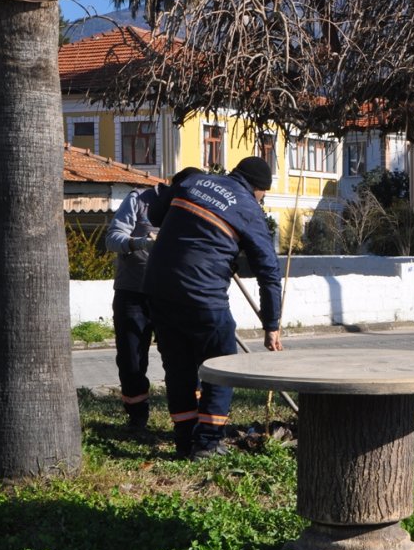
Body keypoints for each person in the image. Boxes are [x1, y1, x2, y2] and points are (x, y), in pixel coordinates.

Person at [144, 157, 283, 460]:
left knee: (178, 367)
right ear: (259, 189)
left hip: (157, 286)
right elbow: (269, 271)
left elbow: (155, 215)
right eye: (264, 195)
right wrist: (272, 324)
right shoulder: (249, 209)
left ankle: (184, 440)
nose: (262, 200)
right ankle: (206, 443)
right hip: (203, 293)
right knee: (221, 367)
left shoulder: (193, 181)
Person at [104, 166, 202, 430]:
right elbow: (112, 238)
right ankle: (137, 416)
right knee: (132, 358)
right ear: (172, 187)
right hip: (132, 293)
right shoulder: (139, 200)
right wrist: (139, 243)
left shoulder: (193, 206)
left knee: (180, 358)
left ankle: (186, 419)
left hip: (172, 294)